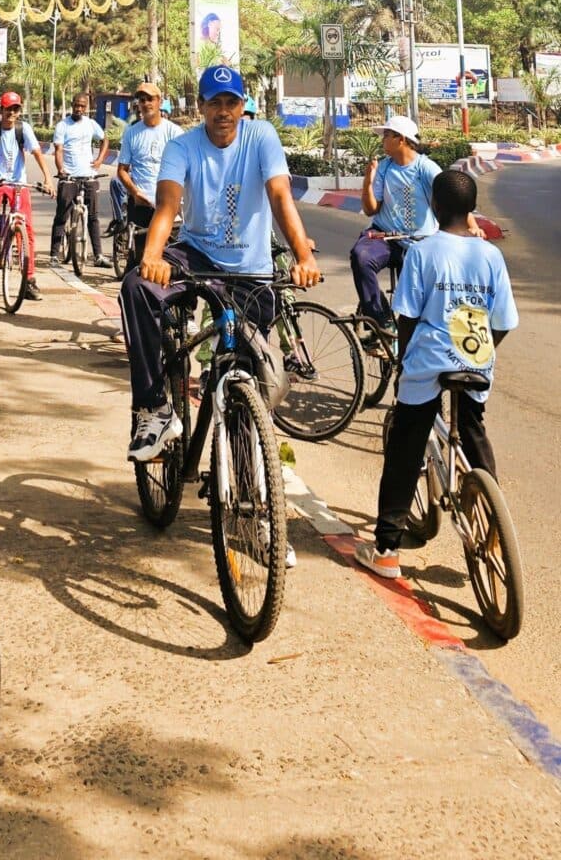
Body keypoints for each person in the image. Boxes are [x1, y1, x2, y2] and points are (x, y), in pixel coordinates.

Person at [119, 65, 319, 459]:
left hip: (252, 270)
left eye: (232, 102)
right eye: (215, 103)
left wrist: (304, 257)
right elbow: (168, 205)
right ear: (201, 106)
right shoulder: (183, 146)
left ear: (243, 106)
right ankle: (154, 408)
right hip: (196, 255)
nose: (224, 111)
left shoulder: (261, 136)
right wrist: (153, 256)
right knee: (137, 287)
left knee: (251, 380)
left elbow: (280, 196)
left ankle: (249, 478)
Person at [355, 170, 518, 579]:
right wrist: (479, 352)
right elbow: (504, 321)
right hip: (476, 356)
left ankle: (387, 550)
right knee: (473, 429)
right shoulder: (491, 255)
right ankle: (492, 518)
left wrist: (403, 360)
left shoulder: (424, 252)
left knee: (406, 446)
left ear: (435, 205)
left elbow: (407, 316)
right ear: (472, 209)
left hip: (429, 358)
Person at [350, 115, 481, 345]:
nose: (383, 140)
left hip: (419, 243)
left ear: (401, 139)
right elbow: (371, 210)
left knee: (417, 300)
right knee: (361, 256)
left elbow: (453, 198)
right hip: (385, 237)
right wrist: (367, 182)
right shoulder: (384, 168)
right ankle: (380, 319)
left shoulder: (425, 168)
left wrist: (473, 228)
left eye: (386, 136)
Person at [0, 90, 55, 301]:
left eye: (15, 109)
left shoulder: (24, 129)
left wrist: (48, 179)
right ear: (1, 110)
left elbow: (38, 154)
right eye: (8, 109)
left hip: (18, 184)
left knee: (26, 229)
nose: (11, 113)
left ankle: (29, 280)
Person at [49, 92, 111, 268]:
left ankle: (98, 255)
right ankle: (54, 255)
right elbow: (59, 150)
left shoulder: (91, 124)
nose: (79, 109)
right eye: (76, 105)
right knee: (62, 216)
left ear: (86, 107)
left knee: (93, 217)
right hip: (69, 177)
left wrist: (100, 160)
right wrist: (61, 169)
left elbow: (104, 139)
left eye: (82, 106)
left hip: (89, 175)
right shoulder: (63, 126)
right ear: (72, 105)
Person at [115, 81, 183, 235]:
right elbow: (122, 171)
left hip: (169, 204)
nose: (146, 103)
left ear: (159, 101)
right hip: (141, 205)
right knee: (139, 256)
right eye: (142, 100)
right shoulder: (131, 133)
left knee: (170, 256)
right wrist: (135, 193)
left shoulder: (174, 132)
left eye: (150, 99)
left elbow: (185, 169)